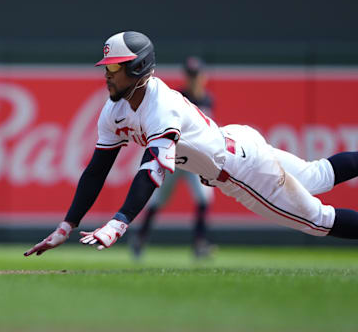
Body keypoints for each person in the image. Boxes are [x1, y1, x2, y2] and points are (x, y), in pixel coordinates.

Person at [24, 30, 358, 257]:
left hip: (242, 170)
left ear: (138, 67)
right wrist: (67, 225)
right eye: (105, 66)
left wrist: (119, 222)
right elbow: (97, 170)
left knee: (319, 221)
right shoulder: (114, 108)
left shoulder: (161, 104)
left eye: (114, 66)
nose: (107, 74)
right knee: (317, 176)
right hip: (237, 141)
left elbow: (152, 171)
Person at [130, 56, 215, 259]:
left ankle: (199, 244)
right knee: (158, 200)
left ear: (204, 76)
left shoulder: (208, 99)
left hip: (195, 160)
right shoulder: (179, 97)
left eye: (196, 75)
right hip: (174, 159)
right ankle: (140, 238)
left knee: (204, 198)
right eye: (190, 75)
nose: (193, 79)